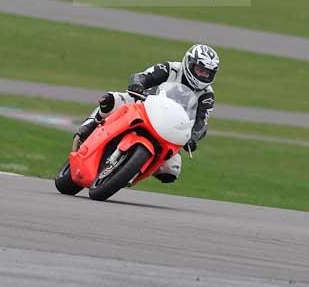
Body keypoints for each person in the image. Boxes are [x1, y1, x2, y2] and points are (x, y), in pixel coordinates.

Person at [73, 44, 219, 183]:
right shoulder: (171, 68)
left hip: (169, 128)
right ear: (189, 63)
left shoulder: (207, 95)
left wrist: (194, 138)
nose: (203, 75)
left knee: (171, 171)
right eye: (200, 69)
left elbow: (201, 122)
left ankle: (132, 171)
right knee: (109, 100)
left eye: (207, 72)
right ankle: (90, 124)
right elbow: (142, 76)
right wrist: (138, 84)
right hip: (143, 105)